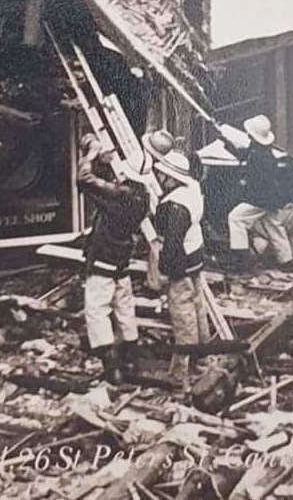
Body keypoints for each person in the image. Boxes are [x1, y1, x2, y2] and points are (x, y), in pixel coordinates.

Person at [77, 136, 154, 383]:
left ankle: (111, 366)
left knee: (97, 309)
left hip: (104, 255)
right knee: (124, 305)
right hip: (122, 257)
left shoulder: (120, 195)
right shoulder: (142, 194)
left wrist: (89, 156)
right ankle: (130, 357)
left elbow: (84, 181)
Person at [152, 150, 210, 392]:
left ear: (170, 178)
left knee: (183, 317)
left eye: (162, 175)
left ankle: (180, 374)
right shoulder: (193, 190)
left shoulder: (174, 206)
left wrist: (166, 270)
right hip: (196, 256)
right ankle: (202, 360)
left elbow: (172, 242)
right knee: (198, 309)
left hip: (181, 264)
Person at [225, 115, 293, 269]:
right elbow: (245, 154)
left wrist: (242, 186)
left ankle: (241, 260)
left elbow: (254, 181)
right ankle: (287, 260)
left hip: (261, 198)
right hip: (272, 198)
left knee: (235, 218)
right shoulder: (263, 151)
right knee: (274, 227)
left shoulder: (258, 156)